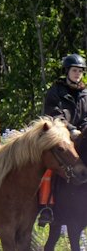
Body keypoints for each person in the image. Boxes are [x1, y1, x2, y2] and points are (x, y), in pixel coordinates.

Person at [38, 53, 87, 225]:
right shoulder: (55, 91)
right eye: (74, 70)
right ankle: (46, 206)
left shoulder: (84, 93)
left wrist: (83, 129)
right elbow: (54, 114)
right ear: (67, 71)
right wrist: (71, 129)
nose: (77, 74)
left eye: (80, 71)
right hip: (59, 134)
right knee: (50, 166)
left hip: (81, 135)